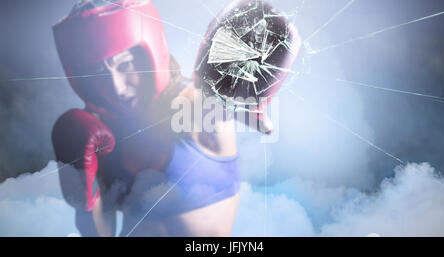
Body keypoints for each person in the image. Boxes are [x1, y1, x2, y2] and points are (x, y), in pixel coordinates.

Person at [51, 0, 301, 236]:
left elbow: (266, 33)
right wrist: (80, 183)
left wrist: (238, 86)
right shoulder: (102, 134)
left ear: (150, 53)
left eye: (126, 65)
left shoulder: (194, 105)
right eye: (97, 73)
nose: (117, 87)